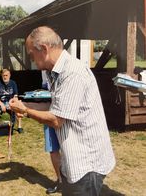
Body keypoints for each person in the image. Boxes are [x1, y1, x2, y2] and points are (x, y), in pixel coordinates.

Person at [9, 26, 115, 196]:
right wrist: (24, 106)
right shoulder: (56, 73)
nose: (32, 61)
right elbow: (56, 106)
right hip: (73, 160)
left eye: (31, 55)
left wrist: (27, 111)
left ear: (44, 49)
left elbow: (57, 120)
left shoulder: (72, 73)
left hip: (86, 164)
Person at [41, 70, 61, 194]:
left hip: (65, 116)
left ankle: (72, 181)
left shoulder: (66, 68)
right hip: (49, 113)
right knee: (53, 149)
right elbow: (44, 90)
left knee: (68, 149)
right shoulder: (44, 71)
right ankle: (60, 181)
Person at [0, 69, 23, 133]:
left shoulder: (13, 83)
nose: (5, 77)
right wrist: (1, 104)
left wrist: (13, 103)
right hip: (0, 102)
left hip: (10, 101)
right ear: (1, 76)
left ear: (9, 75)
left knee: (18, 106)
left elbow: (15, 96)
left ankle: (19, 126)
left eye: (6, 75)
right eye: (3, 75)